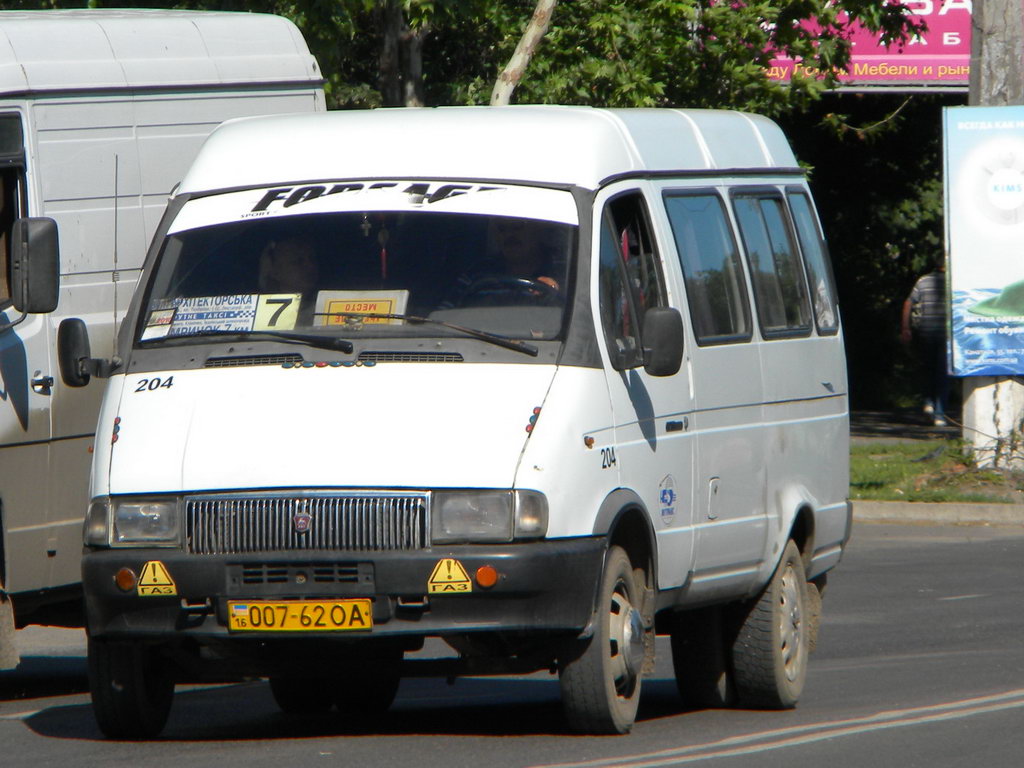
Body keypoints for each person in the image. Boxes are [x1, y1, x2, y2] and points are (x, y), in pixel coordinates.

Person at [441, 217, 564, 308]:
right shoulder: (478, 272)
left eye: (517, 227)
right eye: (502, 229)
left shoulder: (565, 271)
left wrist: (556, 293)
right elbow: (445, 317)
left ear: (538, 229)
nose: (509, 235)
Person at [901, 261, 950, 426]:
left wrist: (906, 328)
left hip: (925, 332)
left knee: (928, 369)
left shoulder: (922, 281)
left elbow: (908, 303)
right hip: (946, 334)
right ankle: (940, 414)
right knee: (942, 373)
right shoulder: (952, 282)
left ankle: (928, 403)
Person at [258, 236, 320, 325]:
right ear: (275, 272)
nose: (310, 266)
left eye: (312, 259)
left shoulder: (327, 310)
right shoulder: (258, 313)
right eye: (298, 261)